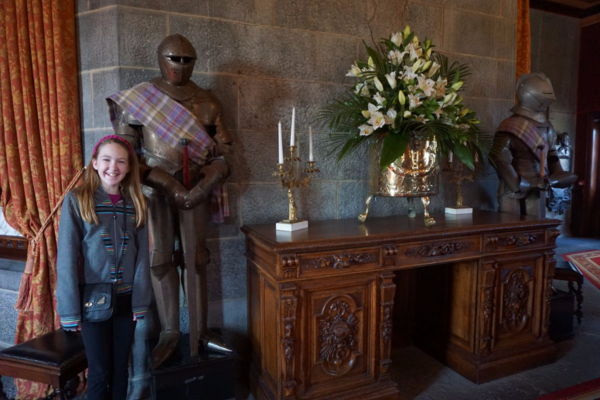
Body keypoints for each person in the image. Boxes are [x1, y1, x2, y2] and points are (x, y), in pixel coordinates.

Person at [105, 33, 233, 368]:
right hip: (155, 189)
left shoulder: (208, 100)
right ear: (160, 58)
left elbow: (225, 151)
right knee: (160, 259)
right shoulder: (139, 100)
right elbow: (126, 154)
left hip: (198, 188)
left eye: (186, 59)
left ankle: (201, 330)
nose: (179, 65)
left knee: (197, 258)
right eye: (173, 58)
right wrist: (167, 184)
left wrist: (205, 184)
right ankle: (170, 332)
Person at [56, 135, 151, 400]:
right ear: (95, 163)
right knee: (99, 371)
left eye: (121, 161)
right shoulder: (77, 200)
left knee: (122, 368)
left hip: (126, 300)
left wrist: (140, 302)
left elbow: (143, 255)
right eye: (107, 159)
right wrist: (69, 310)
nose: (114, 166)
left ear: (129, 167)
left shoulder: (137, 203)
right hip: (91, 302)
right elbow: (66, 257)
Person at [491, 73, 576, 218]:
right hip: (513, 186)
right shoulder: (510, 125)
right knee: (510, 227)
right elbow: (499, 158)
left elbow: (552, 155)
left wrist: (557, 176)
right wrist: (521, 184)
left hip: (539, 184)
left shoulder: (548, 126)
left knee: (536, 229)